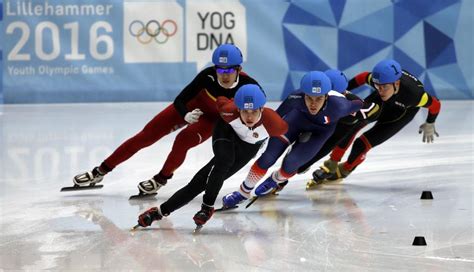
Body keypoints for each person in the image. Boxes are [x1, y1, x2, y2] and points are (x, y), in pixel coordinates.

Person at [72, 44, 261, 195]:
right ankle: (100, 172)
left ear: (239, 69)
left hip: (211, 120)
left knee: (182, 141)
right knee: (145, 136)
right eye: (220, 69)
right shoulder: (207, 76)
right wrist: (185, 114)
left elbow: (258, 116)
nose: (224, 74)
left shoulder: (249, 86)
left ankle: (160, 179)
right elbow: (180, 99)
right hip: (190, 108)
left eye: (229, 70)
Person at [135, 84, 288, 229]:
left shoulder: (275, 124)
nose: (249, 117)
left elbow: (289, 137)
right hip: (226, 131)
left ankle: (161, 211)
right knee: (217, 166)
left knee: (201, 184)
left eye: (254, 111)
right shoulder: (228, 110)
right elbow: (221, 99)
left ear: (262, 108)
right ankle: (198, 208)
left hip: (248, 147)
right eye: (245, 111)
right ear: (238, 108)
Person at [221, 70, 370, 207]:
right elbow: (275, 118)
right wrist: (257, 140)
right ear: (303, 94)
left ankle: (276, 180)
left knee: (291, 163)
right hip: (295, 122)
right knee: (267, 158)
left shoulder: (340, 106)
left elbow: (360, 104)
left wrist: (355, 106)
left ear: (326, 96)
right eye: (309, 98)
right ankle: (243, 192)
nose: (313, 104)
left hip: (321, 132)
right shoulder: (295, 97)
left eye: (318, 99)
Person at [311, 59, 441, 182]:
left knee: (361, 144)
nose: (381, 90)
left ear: (397, 83)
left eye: (384, 87)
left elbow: (435, 104)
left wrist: (430, 122)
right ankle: (332, 162)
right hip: (381, 102)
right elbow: (362, 77)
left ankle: (345, 170)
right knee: (353, 122)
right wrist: (343, 92)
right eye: (377, 86)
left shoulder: (415, 95)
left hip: (402, 113)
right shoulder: (381, 83)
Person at [296, 69, 380, 188]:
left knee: (348, 134)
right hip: (332, 122)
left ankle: (334, 165)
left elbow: (373, 111)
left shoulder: (353, 105)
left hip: (344, 125)